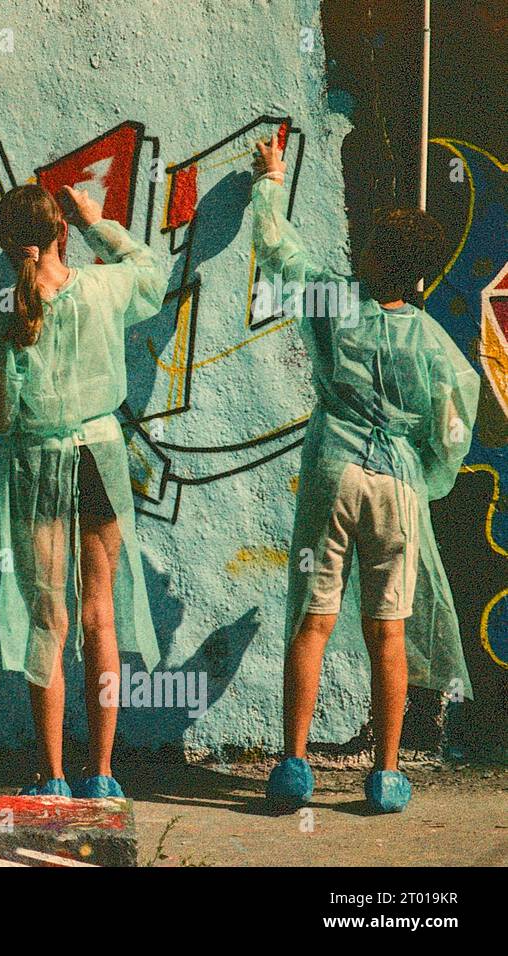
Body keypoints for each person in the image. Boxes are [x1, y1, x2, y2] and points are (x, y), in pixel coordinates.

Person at [251, 138, 478, 813]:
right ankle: (384, 774)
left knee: (312, 620)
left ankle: (294, 766)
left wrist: (271, 179)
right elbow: (454, 423)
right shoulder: (433, 343)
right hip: (397, 488)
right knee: (388, 631)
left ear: (376, 257)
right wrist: (426, 474)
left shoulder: (331, 303)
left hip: (332, 470)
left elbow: (278, 249)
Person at [0, 183, 164, 798]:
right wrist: (101, 222)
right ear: (63, 234)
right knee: (101, 618)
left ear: (5, 246)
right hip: (99, 459)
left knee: (46, 620)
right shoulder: (101, 290)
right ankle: (102, 773)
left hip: (35, 466)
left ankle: (51, 776)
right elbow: (150, 273)